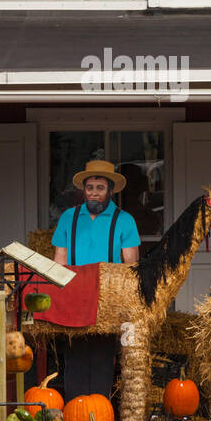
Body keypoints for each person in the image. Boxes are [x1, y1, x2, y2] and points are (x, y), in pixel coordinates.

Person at [51, 159, 141, 398]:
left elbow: (131, 268)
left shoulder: (125, 220)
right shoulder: (67, 218)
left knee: (102, 357)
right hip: (74, 297)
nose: (93, 193)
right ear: (84, 190)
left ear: (110, 191)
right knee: (74, 356)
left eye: (100, 188)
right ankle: (75, 413)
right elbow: (58, 261)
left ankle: (99, 413)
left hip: (106, 298)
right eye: (90, 187)